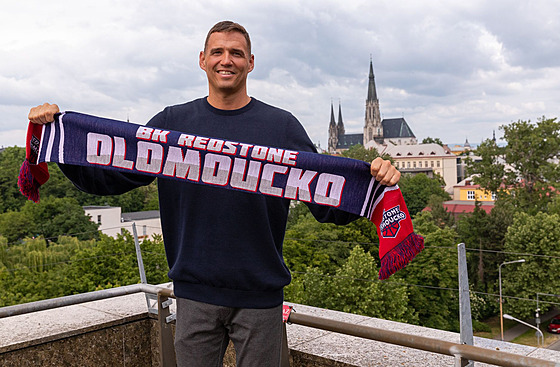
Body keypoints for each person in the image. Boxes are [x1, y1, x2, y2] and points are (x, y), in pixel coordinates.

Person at [28, 21, 401, 367]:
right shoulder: (173, 124)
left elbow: (326, 201)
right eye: (218, 52)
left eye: (236, 53)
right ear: (203, 60)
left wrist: (374, 184)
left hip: (261, 299)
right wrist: (57, 140)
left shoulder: (281, 126)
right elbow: (109, 178)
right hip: (194, 296)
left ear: (251, 63)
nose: (227, 60)